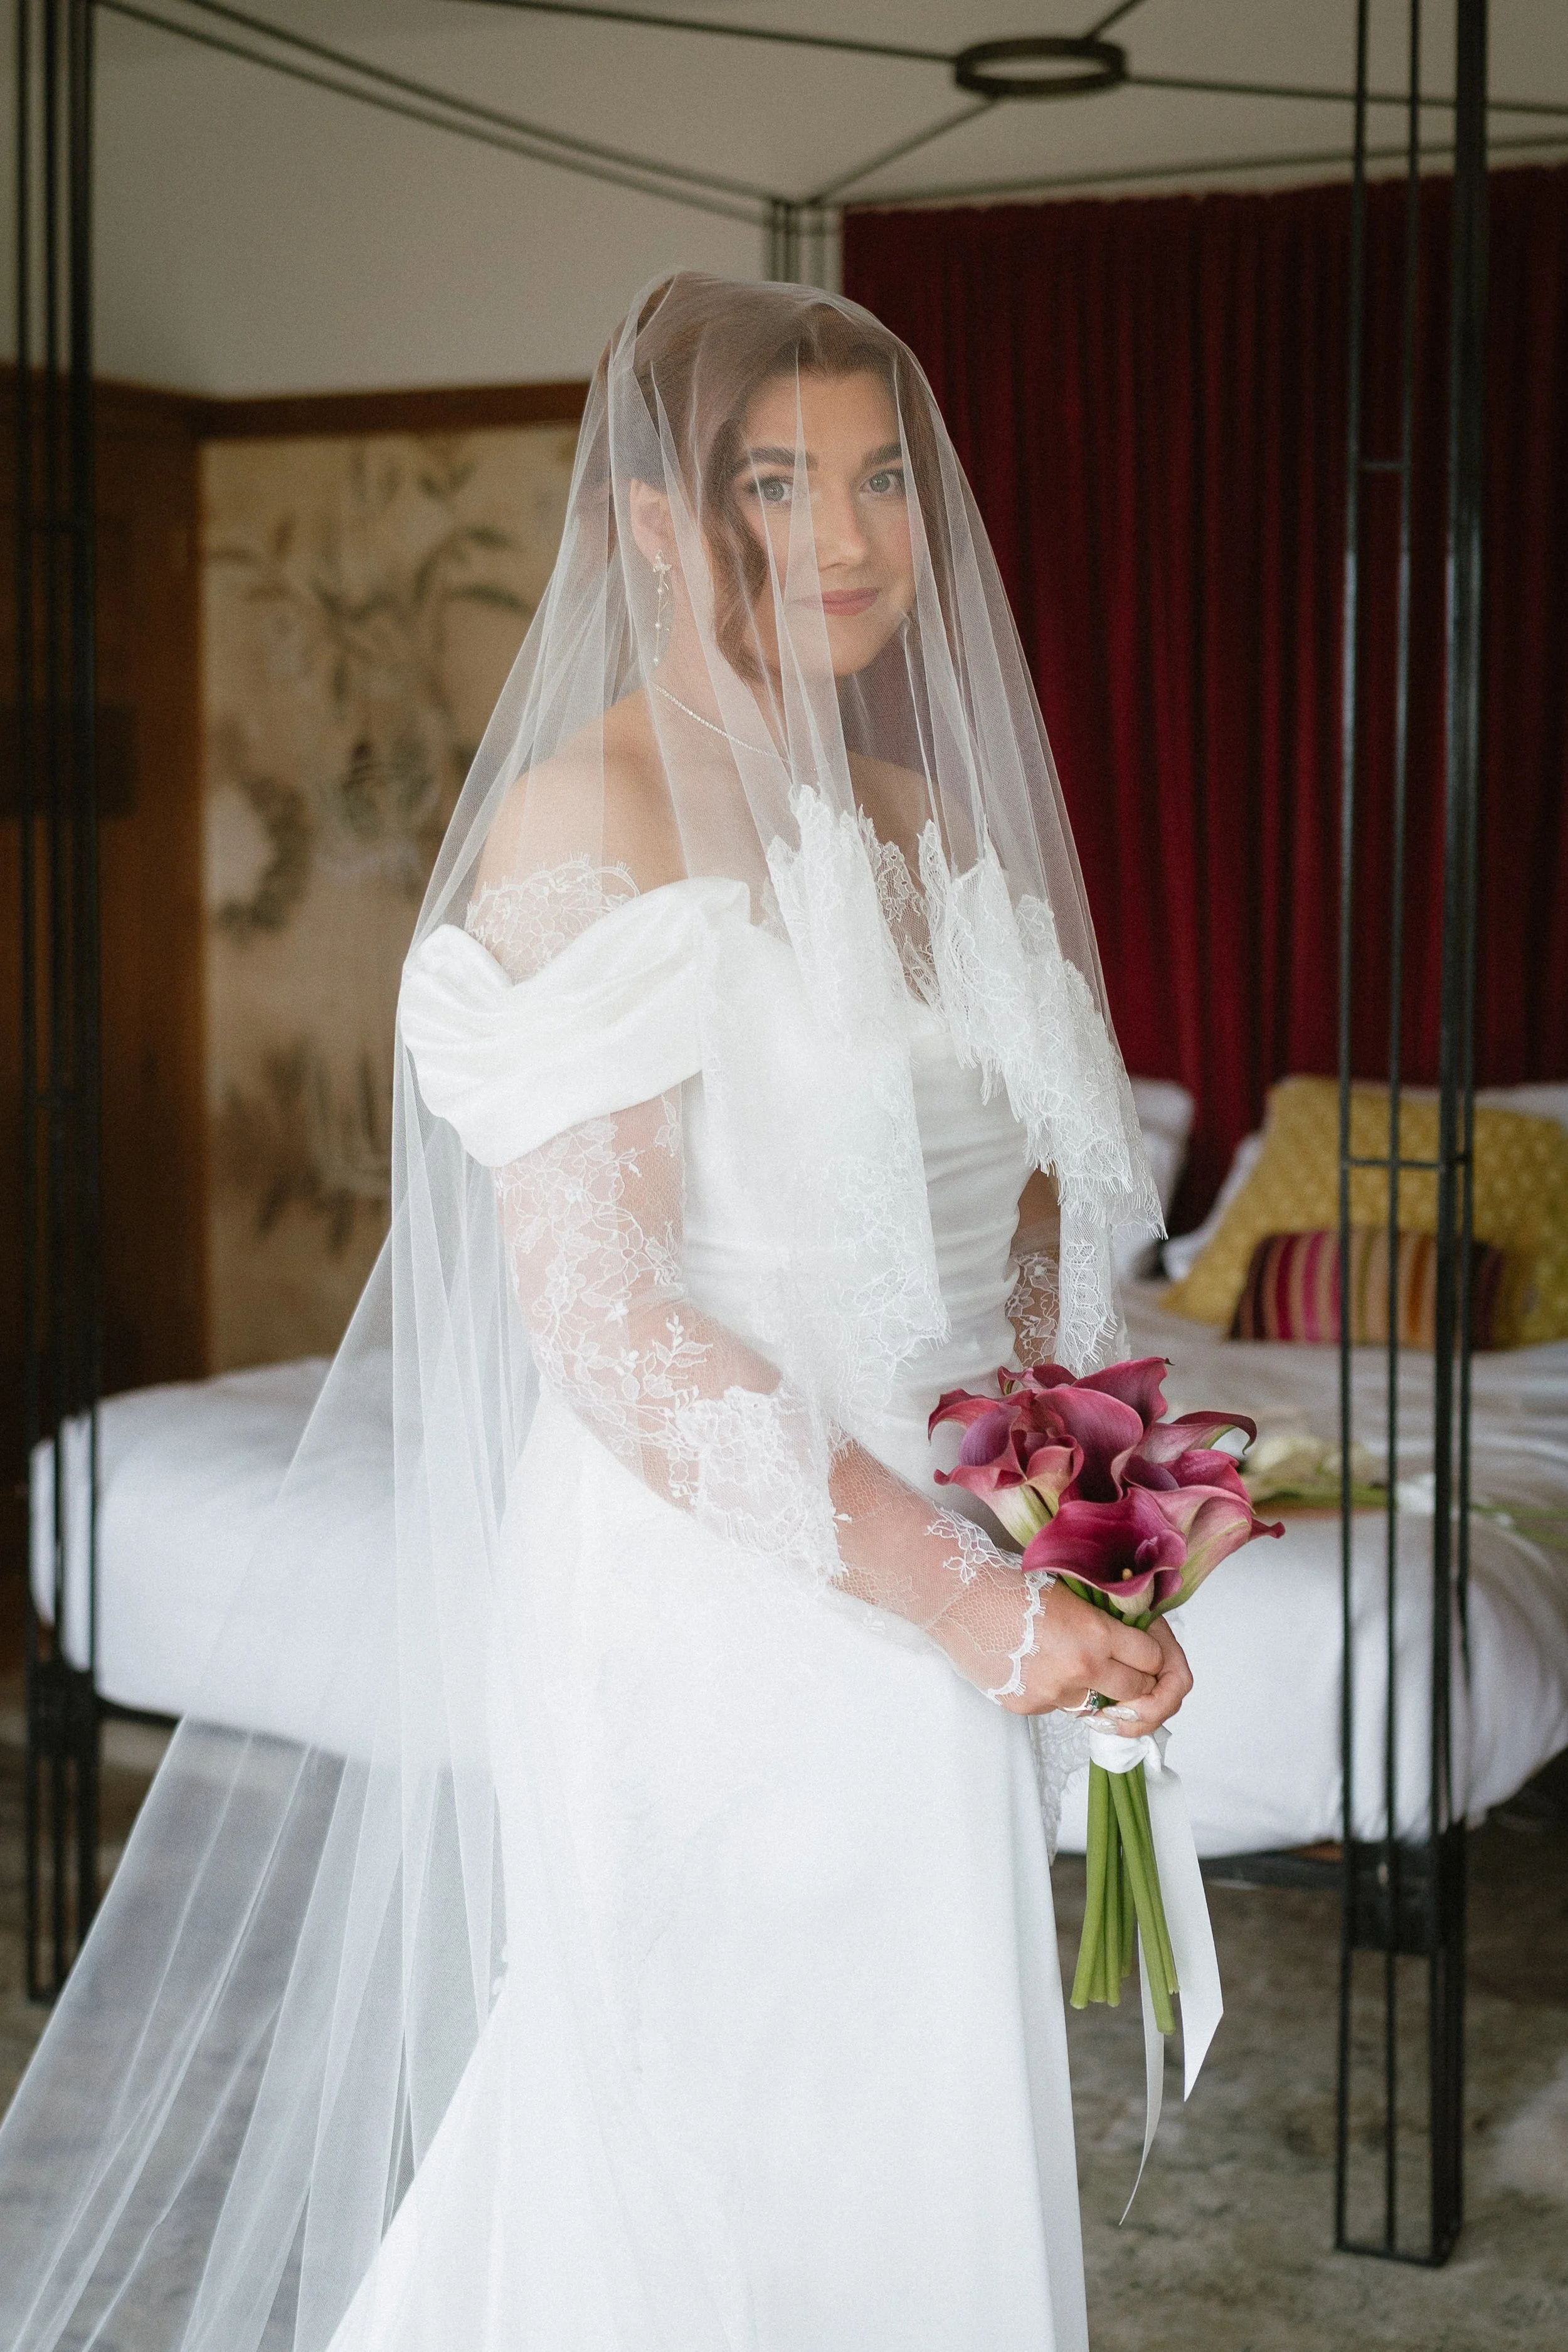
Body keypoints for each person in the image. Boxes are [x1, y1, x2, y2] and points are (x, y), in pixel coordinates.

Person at [0, 273, 1187, 2352]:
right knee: (693, 2138)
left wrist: (1081, 1510)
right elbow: (607, 1320)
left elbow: (1003, 1234)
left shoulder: (915, 821)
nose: (846, 537)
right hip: (704, 1597)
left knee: (909, 2126)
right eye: (774, 483)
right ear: (648, 517)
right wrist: (958, 1592)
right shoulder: (590, 819)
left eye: (881, 479)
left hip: (926, 1595)